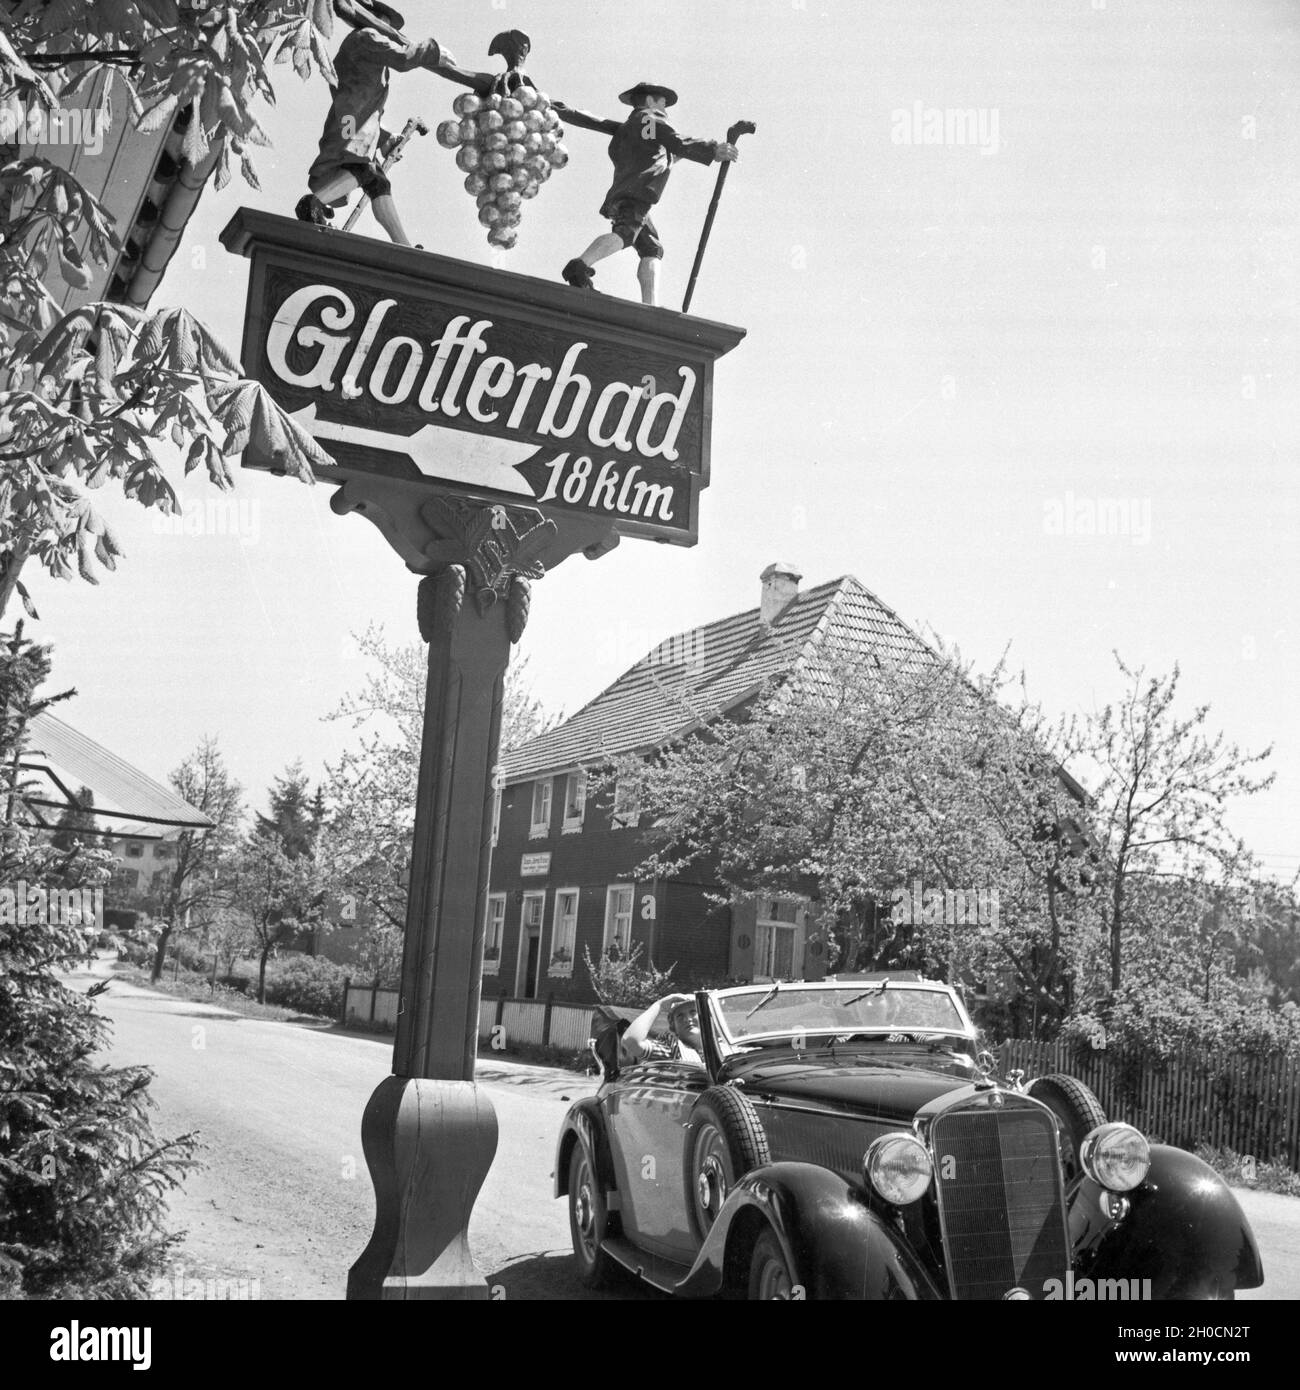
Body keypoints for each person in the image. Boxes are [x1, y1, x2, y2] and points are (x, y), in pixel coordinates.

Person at [556, 82, 738, 306]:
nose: (666, 109)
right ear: (651, 101)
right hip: (636, 192)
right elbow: (675, 141)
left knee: (652, 248)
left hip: (625, 192)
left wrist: (554, 107)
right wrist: (712, 149)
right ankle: (580, 266)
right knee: (625, 234)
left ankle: (649, 305)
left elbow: (651, 146)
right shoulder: (649, 120)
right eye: (663, 102)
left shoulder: (630, 128)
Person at [295, 1, 447, 245]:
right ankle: (314, 202)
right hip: (349, 120)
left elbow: (368, 108)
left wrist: (385, 139)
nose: (388, 32)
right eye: (386, 24)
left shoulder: (367, 49)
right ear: (374, 19)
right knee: (360, 167)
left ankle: (402, 245)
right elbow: (404, 59)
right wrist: (432, 50)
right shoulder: (367, 37)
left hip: (351, 120)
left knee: (376, 180)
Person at [431, 27, 534, 99]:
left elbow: (453, 72)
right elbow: (454, 73)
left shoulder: (493, 81)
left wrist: (428, 57)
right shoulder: (494, 81)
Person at [619, 992, 704, 1067]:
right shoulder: (672, 1048)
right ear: (673, 1026)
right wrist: (659, 1005)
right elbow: (630, 1041)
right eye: (680, 1016)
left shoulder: (717, 1044)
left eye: (693, 1012)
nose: (687, 1019)